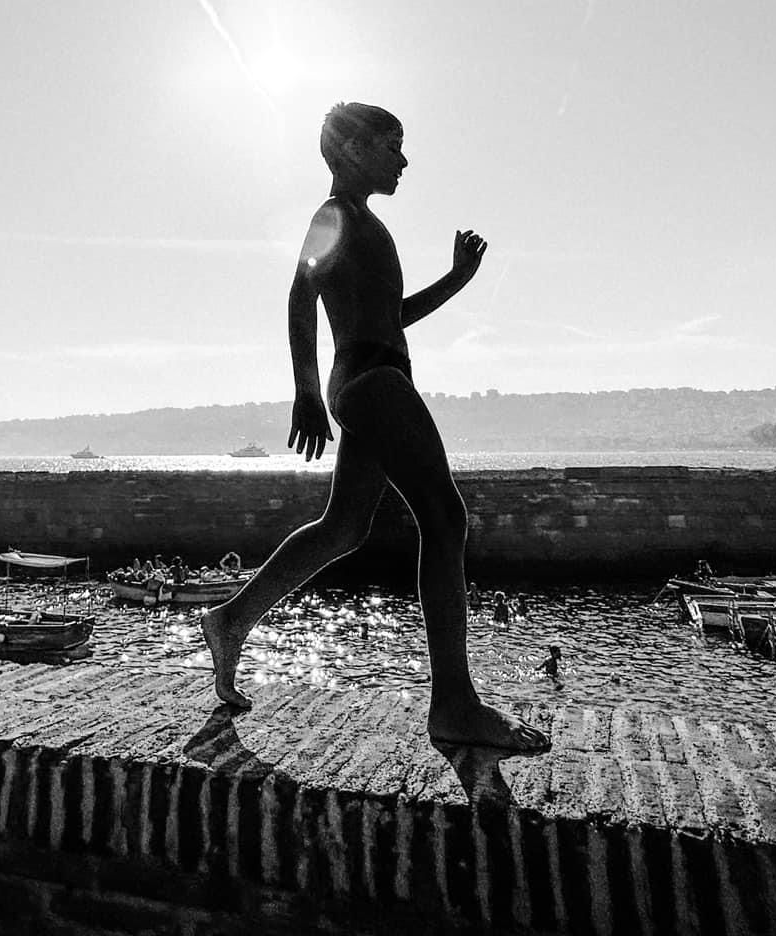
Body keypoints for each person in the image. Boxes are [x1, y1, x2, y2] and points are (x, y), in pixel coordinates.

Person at [201, 102, 549, 753]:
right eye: (393, 145)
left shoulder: (368, 226)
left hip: (377, 379)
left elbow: (393, 315)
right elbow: (299, 294)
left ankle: (229, 620)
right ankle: (454, 704)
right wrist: (304, 391)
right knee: (445, 518)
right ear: (355, 149)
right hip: (370, 382)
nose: (403, 159)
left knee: (344, 528)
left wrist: (456, 280)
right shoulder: (332, 216)